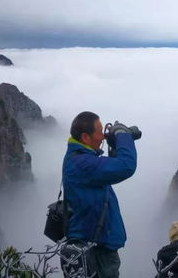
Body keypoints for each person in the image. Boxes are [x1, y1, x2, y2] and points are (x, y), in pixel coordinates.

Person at [60, 111, 137, 278]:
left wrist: (115, 144)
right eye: (100, 132)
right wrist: (123, 135)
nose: (103, 136)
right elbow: (126, 166)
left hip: (94, 243)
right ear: (86, 137)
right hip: (96, 249)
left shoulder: (80, 158)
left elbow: (109, 168)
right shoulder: (83, 163)